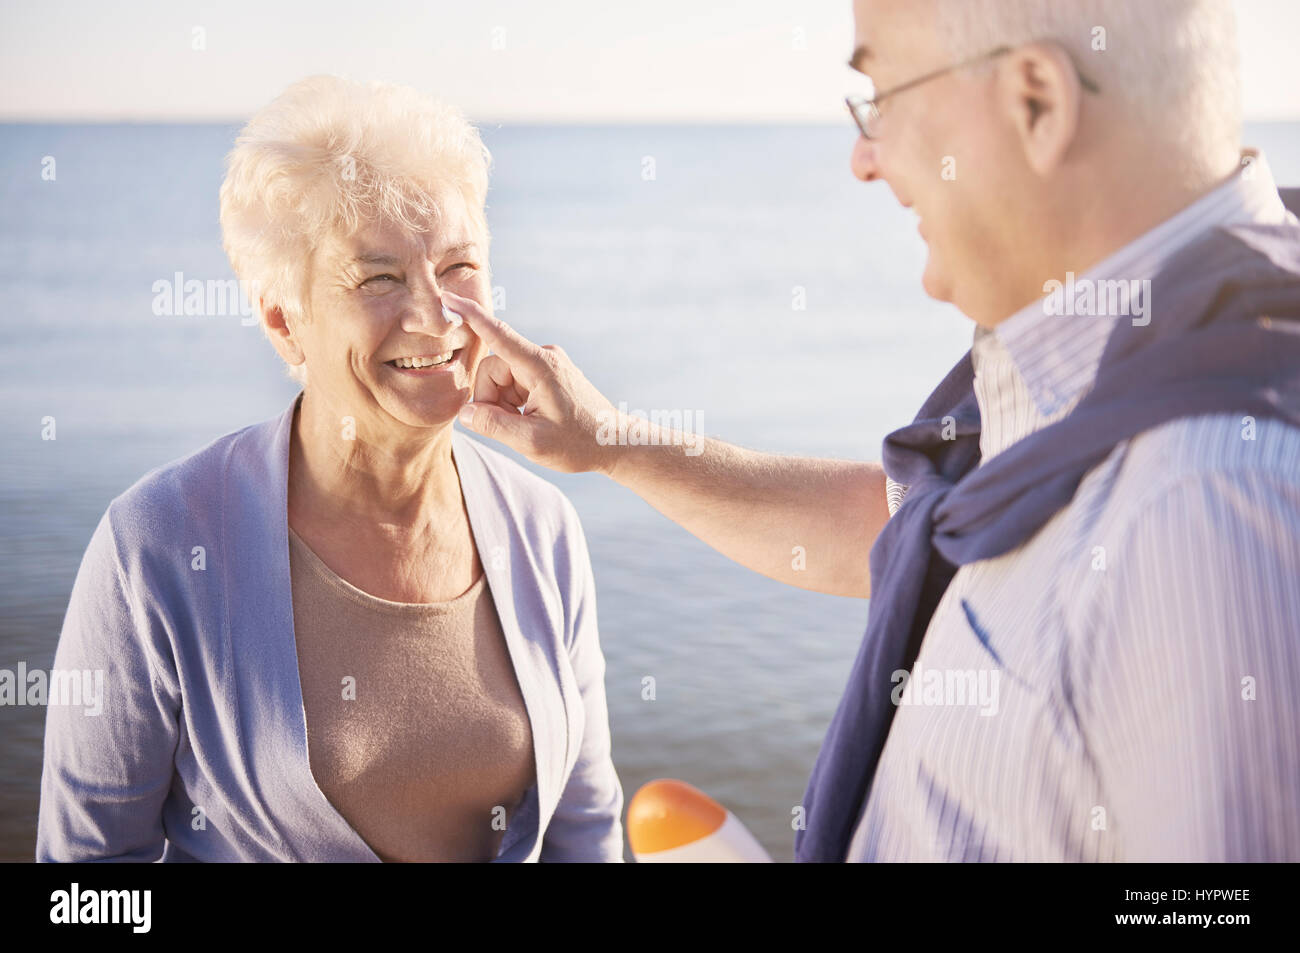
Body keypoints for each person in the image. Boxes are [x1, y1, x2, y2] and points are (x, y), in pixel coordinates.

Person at [452, 0, 1300, 861]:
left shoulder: (1206, 499)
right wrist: (611, 441)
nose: (865, 158)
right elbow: (903, 538)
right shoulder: (1121, 366)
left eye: (883, 96)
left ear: (1035, 102)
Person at [36, 75, 624, 862]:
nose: (436, 315)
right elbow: (84, 886)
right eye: (379, 277)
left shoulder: (543, 527)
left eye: (458, 267)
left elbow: (584, 831)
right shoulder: (158, 548)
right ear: (285, 323)